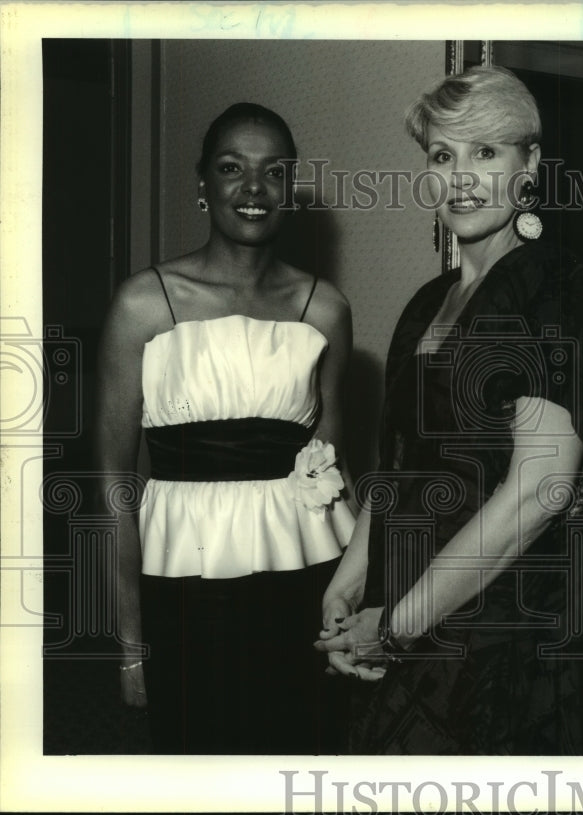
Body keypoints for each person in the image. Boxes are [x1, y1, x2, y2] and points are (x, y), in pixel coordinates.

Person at [315, 66, 583, 754]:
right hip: (398, 610)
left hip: (490, 632)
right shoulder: (425, 303)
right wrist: (346, 587)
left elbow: (539, 491)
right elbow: (397, 467)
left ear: (530, 163)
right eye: (444, 155)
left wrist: (397, 624)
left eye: (487, 151)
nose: (463, 176)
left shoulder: (553, 286)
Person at [95, 102, 355, 754]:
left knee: (300, 754)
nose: (253, 188)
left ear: (289, 188)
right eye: (231, 168)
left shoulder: (323, 308)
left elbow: (335, 467)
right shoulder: (141, 303)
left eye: (273, 172)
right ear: (202, 183)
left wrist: (351, 610)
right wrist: (131, 645)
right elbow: (113, 485)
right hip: (184, 583)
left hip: (303, 578)